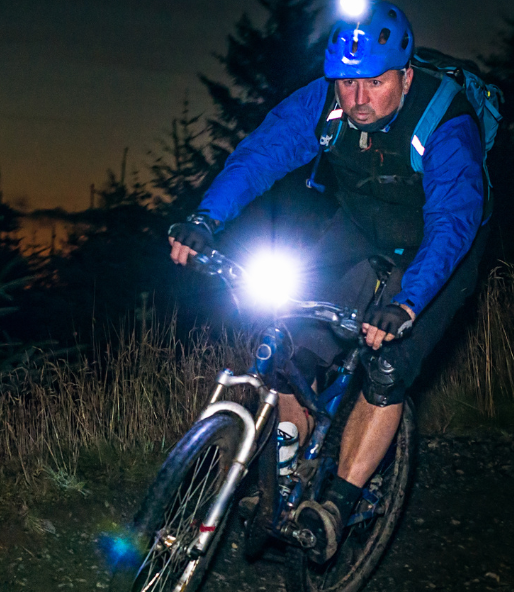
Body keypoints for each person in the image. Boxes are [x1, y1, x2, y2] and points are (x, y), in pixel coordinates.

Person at [167, 0, 486, 559]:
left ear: (405, 77)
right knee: (294, 342)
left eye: (375, 83)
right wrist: (205, 219)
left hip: (441, 248)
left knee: (387, 366)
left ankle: (337, 504)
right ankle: (282, 476)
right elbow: (261, 155)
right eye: (345, 83)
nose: (358, 99)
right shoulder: (325, 105)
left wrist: (408, 303)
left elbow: (452, 222)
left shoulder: (445, 122)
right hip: (362, 230)